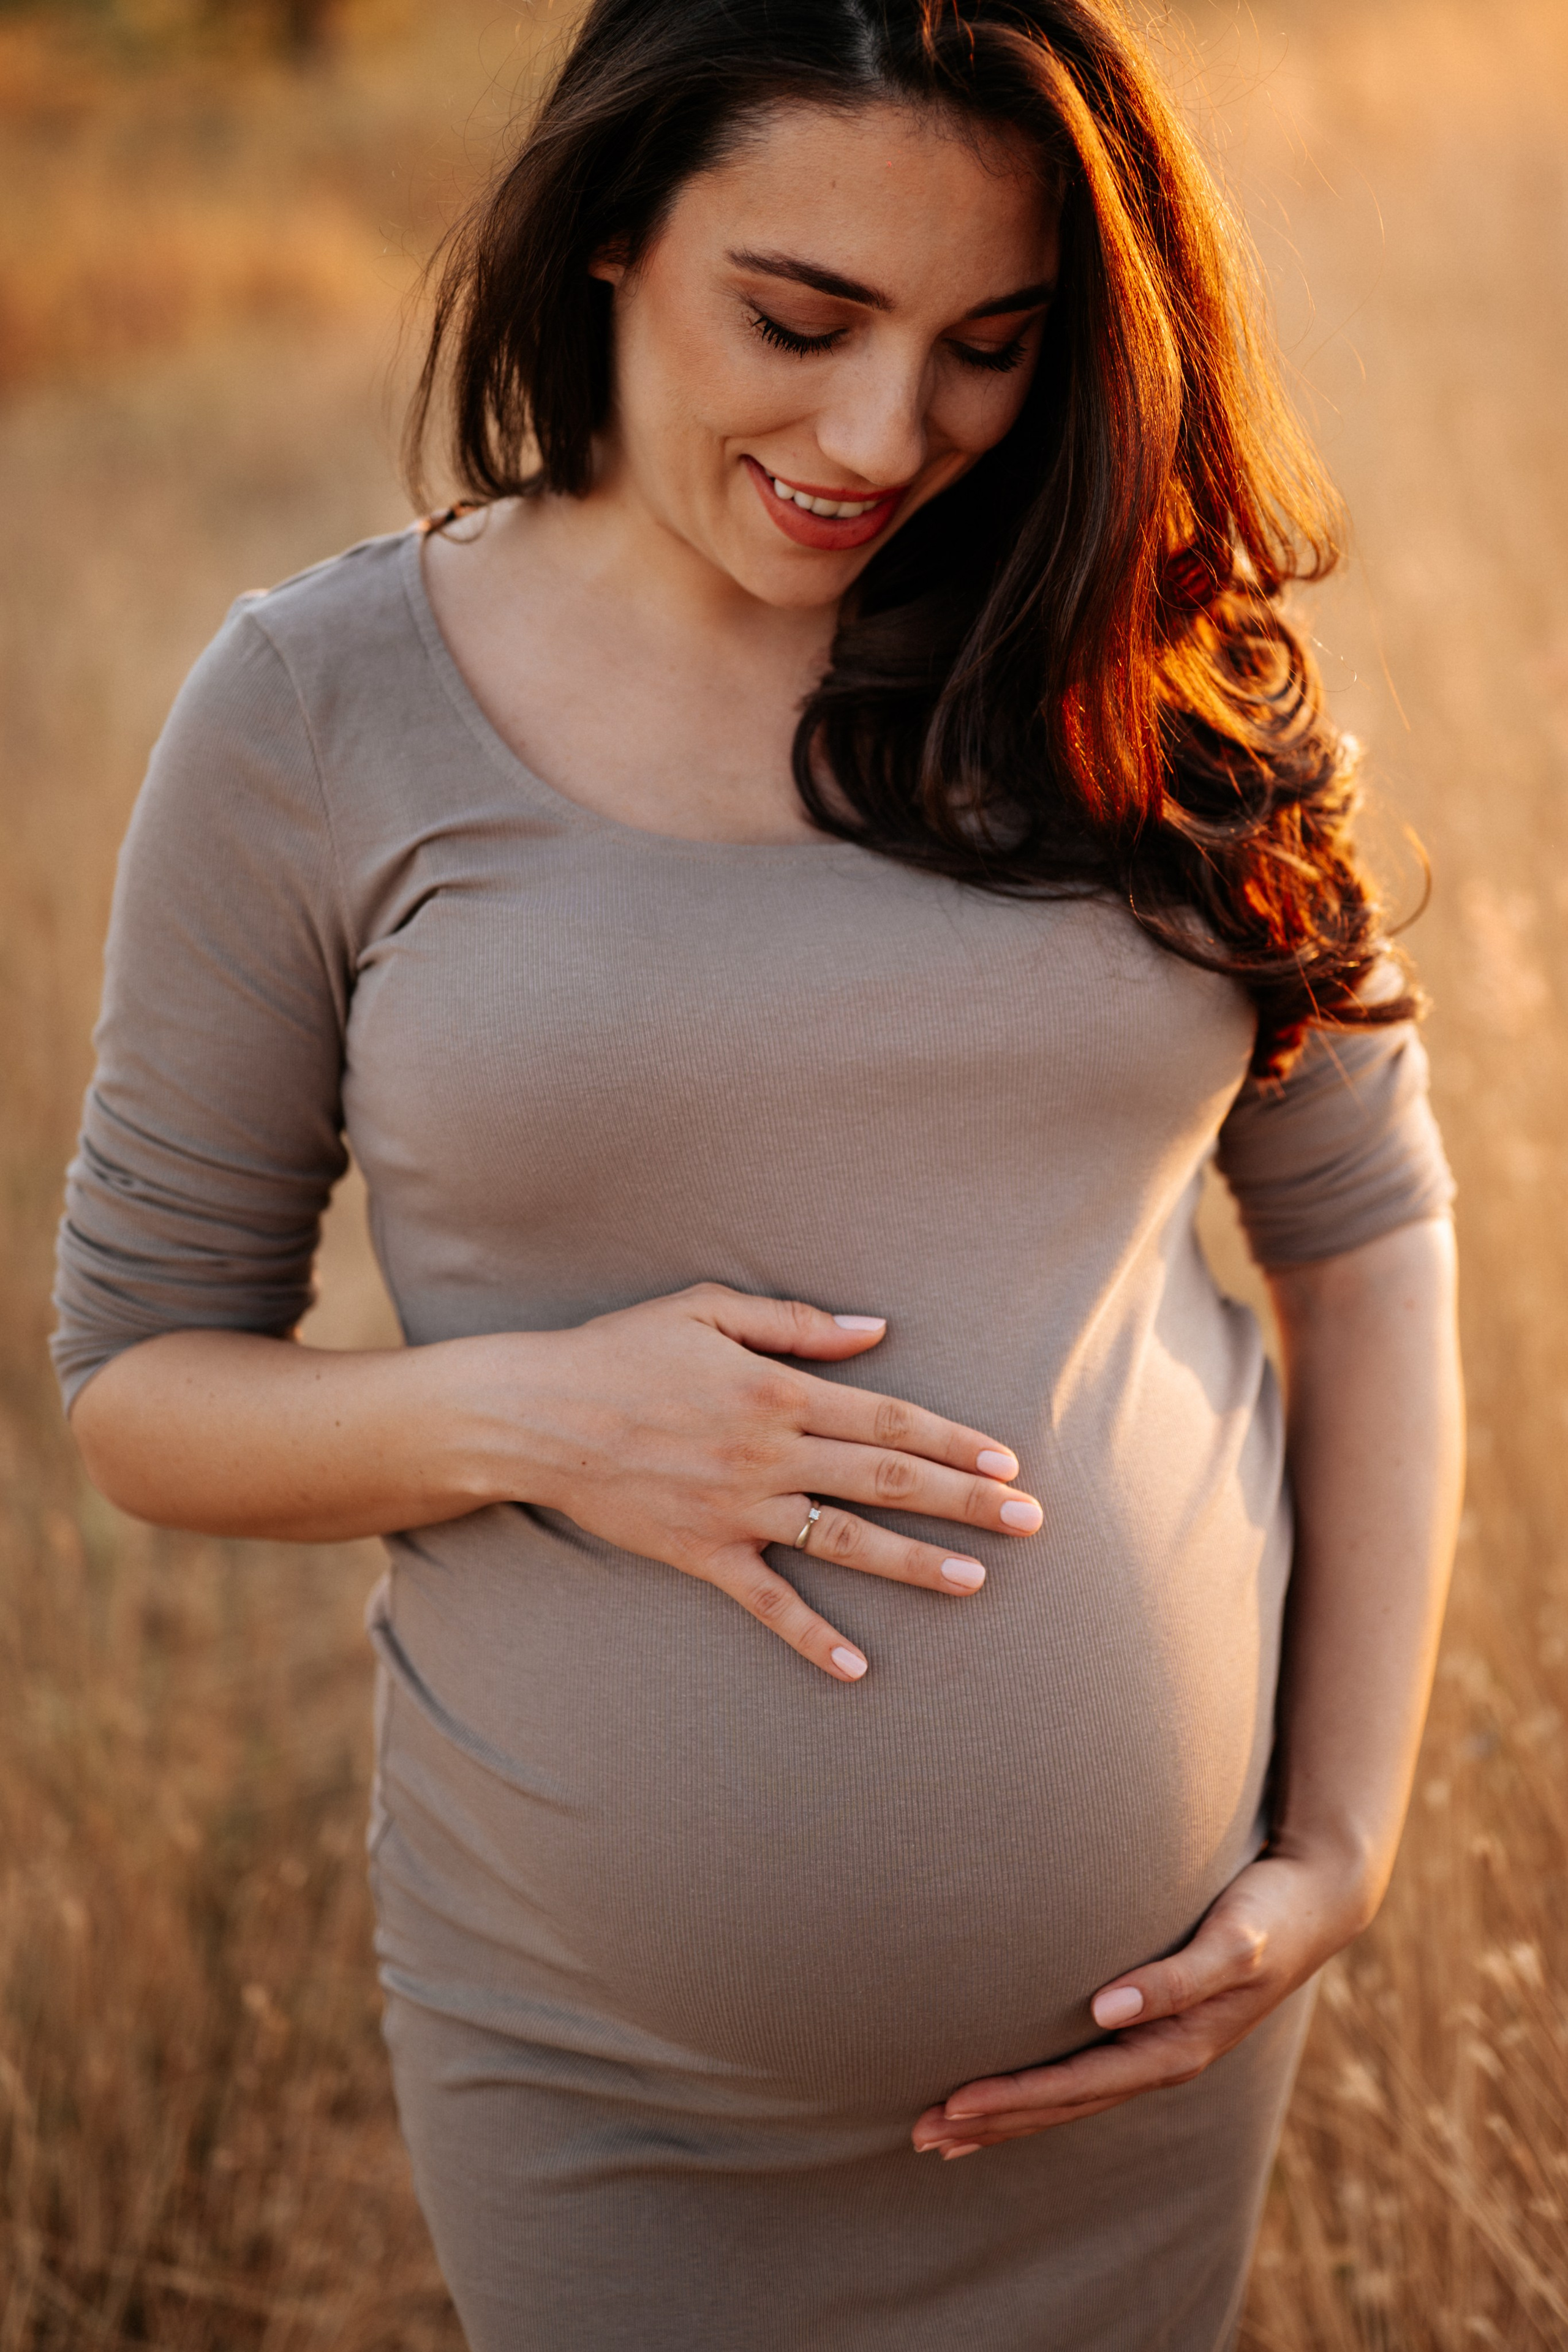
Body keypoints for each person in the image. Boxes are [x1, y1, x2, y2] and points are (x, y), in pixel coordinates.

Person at [52, 0, 1463, 2344]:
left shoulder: (1158, 665)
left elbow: (1366, 1222)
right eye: (797, 321)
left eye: (990, 345)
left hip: (1144, 2070)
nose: (882, 434)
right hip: (620, 2106)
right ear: (610, 233)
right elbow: (135, 1392)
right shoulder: (316, 712)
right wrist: (533, 1414)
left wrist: (1339, 1840)